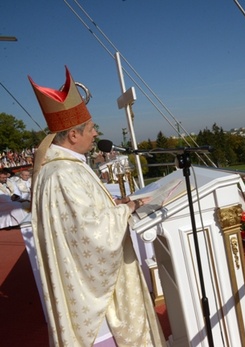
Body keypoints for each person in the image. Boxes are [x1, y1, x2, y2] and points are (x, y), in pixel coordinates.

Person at [29, 66, 166, 346]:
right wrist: (127, 209)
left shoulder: (64, 169)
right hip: (95, 299)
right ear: (73, 135)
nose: (95, 134)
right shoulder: (63, 174)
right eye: (91, 128)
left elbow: (81, 219)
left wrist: (116, 205)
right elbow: (90, 236)